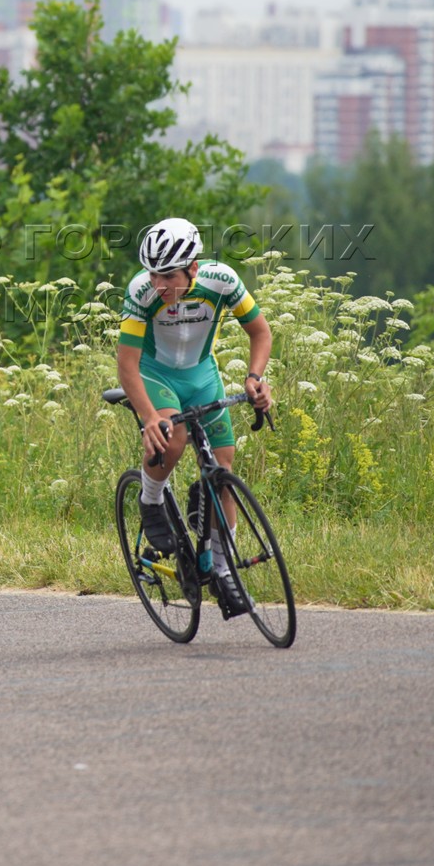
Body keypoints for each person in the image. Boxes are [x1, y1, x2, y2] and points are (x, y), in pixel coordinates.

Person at [116, 218, 274, 619]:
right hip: (157, 375)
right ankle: (151, 499)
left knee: (223, 467)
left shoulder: (222, 281)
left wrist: (255, 378)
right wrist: (148, 416)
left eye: (168, 276)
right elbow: (128, 365)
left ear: (194, 269)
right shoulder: (141, 292)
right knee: (173, 435)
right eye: (153, 274)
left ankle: (223, 571)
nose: (159, 285)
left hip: (202, 374)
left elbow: (260, 333)